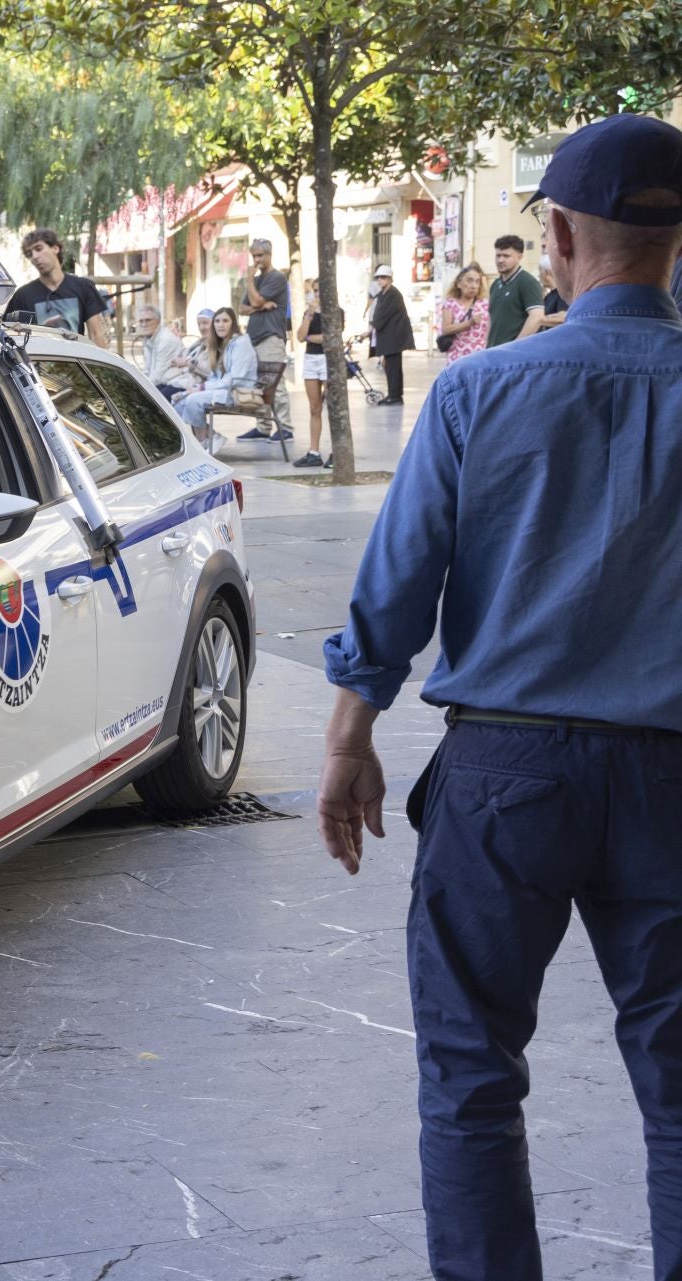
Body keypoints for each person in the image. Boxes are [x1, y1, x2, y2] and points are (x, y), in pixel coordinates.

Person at [315, 112, 682, 1281]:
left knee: (471, 1075)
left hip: (504, 778)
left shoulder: (479, 393)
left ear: (561, 235)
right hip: (675, 777)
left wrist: (348, 735)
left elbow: (399, 582)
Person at [5, 228, 111, 347]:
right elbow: (8, 336)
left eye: (38, 249)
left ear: (55, 248)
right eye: (29, 254)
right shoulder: (23, 295)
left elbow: (96, 334)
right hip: (38, 363)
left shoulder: (84, 287)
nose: (34, 256)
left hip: (76, 361)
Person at [235, 238, 293, 439]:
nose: (257, 260)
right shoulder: (257, 281)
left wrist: (250, 282)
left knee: (275, 383)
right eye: (254, 256)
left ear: (269, 255)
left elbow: (256, 299)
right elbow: (242, 308)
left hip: (271, 337)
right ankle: (263, 427)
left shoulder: (277, 278)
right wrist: (259, 306)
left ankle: (285, 428)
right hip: (254, 337)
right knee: (259, 384)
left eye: (260, 255)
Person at [170, 308, 255, 441]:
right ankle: (209, 437)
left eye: (225, 321)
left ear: (233, 324)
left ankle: (203, 442)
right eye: (217, 321)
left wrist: (201, 389)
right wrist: (192, 390)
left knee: (193, 401)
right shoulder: (223, 344)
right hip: (226, 390)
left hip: (240, 393)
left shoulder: (240, 344)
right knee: (179, 402)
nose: (221, 324)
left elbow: (235, 379)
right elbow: (215, 377)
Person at [291, 279, 331, 469]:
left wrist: (310, 338)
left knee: (332, 407)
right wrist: (309, 314)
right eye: (315, 291)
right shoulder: (309, 313)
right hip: (311, 359)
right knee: (314, 408)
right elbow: (299, 336)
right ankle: (313, 451)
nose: (317, 294)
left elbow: (331, 337)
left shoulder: (335, 311)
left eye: (320, 290)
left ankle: (336, 451)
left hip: (327, 359)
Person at [486, 233, 545, 347]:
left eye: (506, 256)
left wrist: (514, 346)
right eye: (498, 255)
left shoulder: (527, 282)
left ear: (520, 257)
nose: (500, 260)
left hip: (514, 356)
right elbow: (491, 319)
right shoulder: (495, 284)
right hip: (494, 351)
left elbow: (537, 317)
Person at [367, 265, 413, 404]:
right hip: (389, 338)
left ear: (390, 279)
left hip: (394, 338)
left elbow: (383, 315)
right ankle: (394, 394)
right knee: (391, 367)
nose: (380, 280)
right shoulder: (383, 294)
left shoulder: (393, 294)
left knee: (393, 368)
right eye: (379, 278)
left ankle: (395, 396)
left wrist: (370, 329)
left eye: (383, 277)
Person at [434, 263, 491, 363]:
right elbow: (446, 329)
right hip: (457, 357)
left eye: (477, 282)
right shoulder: (450, 304)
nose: (474, 286)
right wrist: (469, 323)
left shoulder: (485, 304)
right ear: (458, 284)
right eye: (469, 280)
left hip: (480, 357)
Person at [133, 303, 186, 399]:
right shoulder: (149, 339)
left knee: (148, 401)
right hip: (164, 381)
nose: (144, 324)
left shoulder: (165, 340)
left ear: (158, 321)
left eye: (148, 320)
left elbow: (157, 376)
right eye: (141, 321)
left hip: (178, 382)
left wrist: (138, 388)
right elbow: (148, 371)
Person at [537, 256, 569, 328]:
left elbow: (562, 318)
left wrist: (537, 319)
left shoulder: (562, 294)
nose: (538, 275)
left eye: (540, 271)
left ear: (547, 272)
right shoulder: (550, 295)